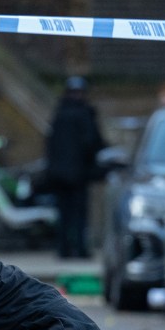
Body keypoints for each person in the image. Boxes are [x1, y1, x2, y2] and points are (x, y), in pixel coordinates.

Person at [44, 75, 106, 259]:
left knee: (64, 213)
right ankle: (79, 250)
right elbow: (91, 142)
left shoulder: (59, 113)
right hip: (78, 174)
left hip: (59, 174)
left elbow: (50, 144)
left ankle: (63, 249)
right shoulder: (85, 114)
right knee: (79, 215)